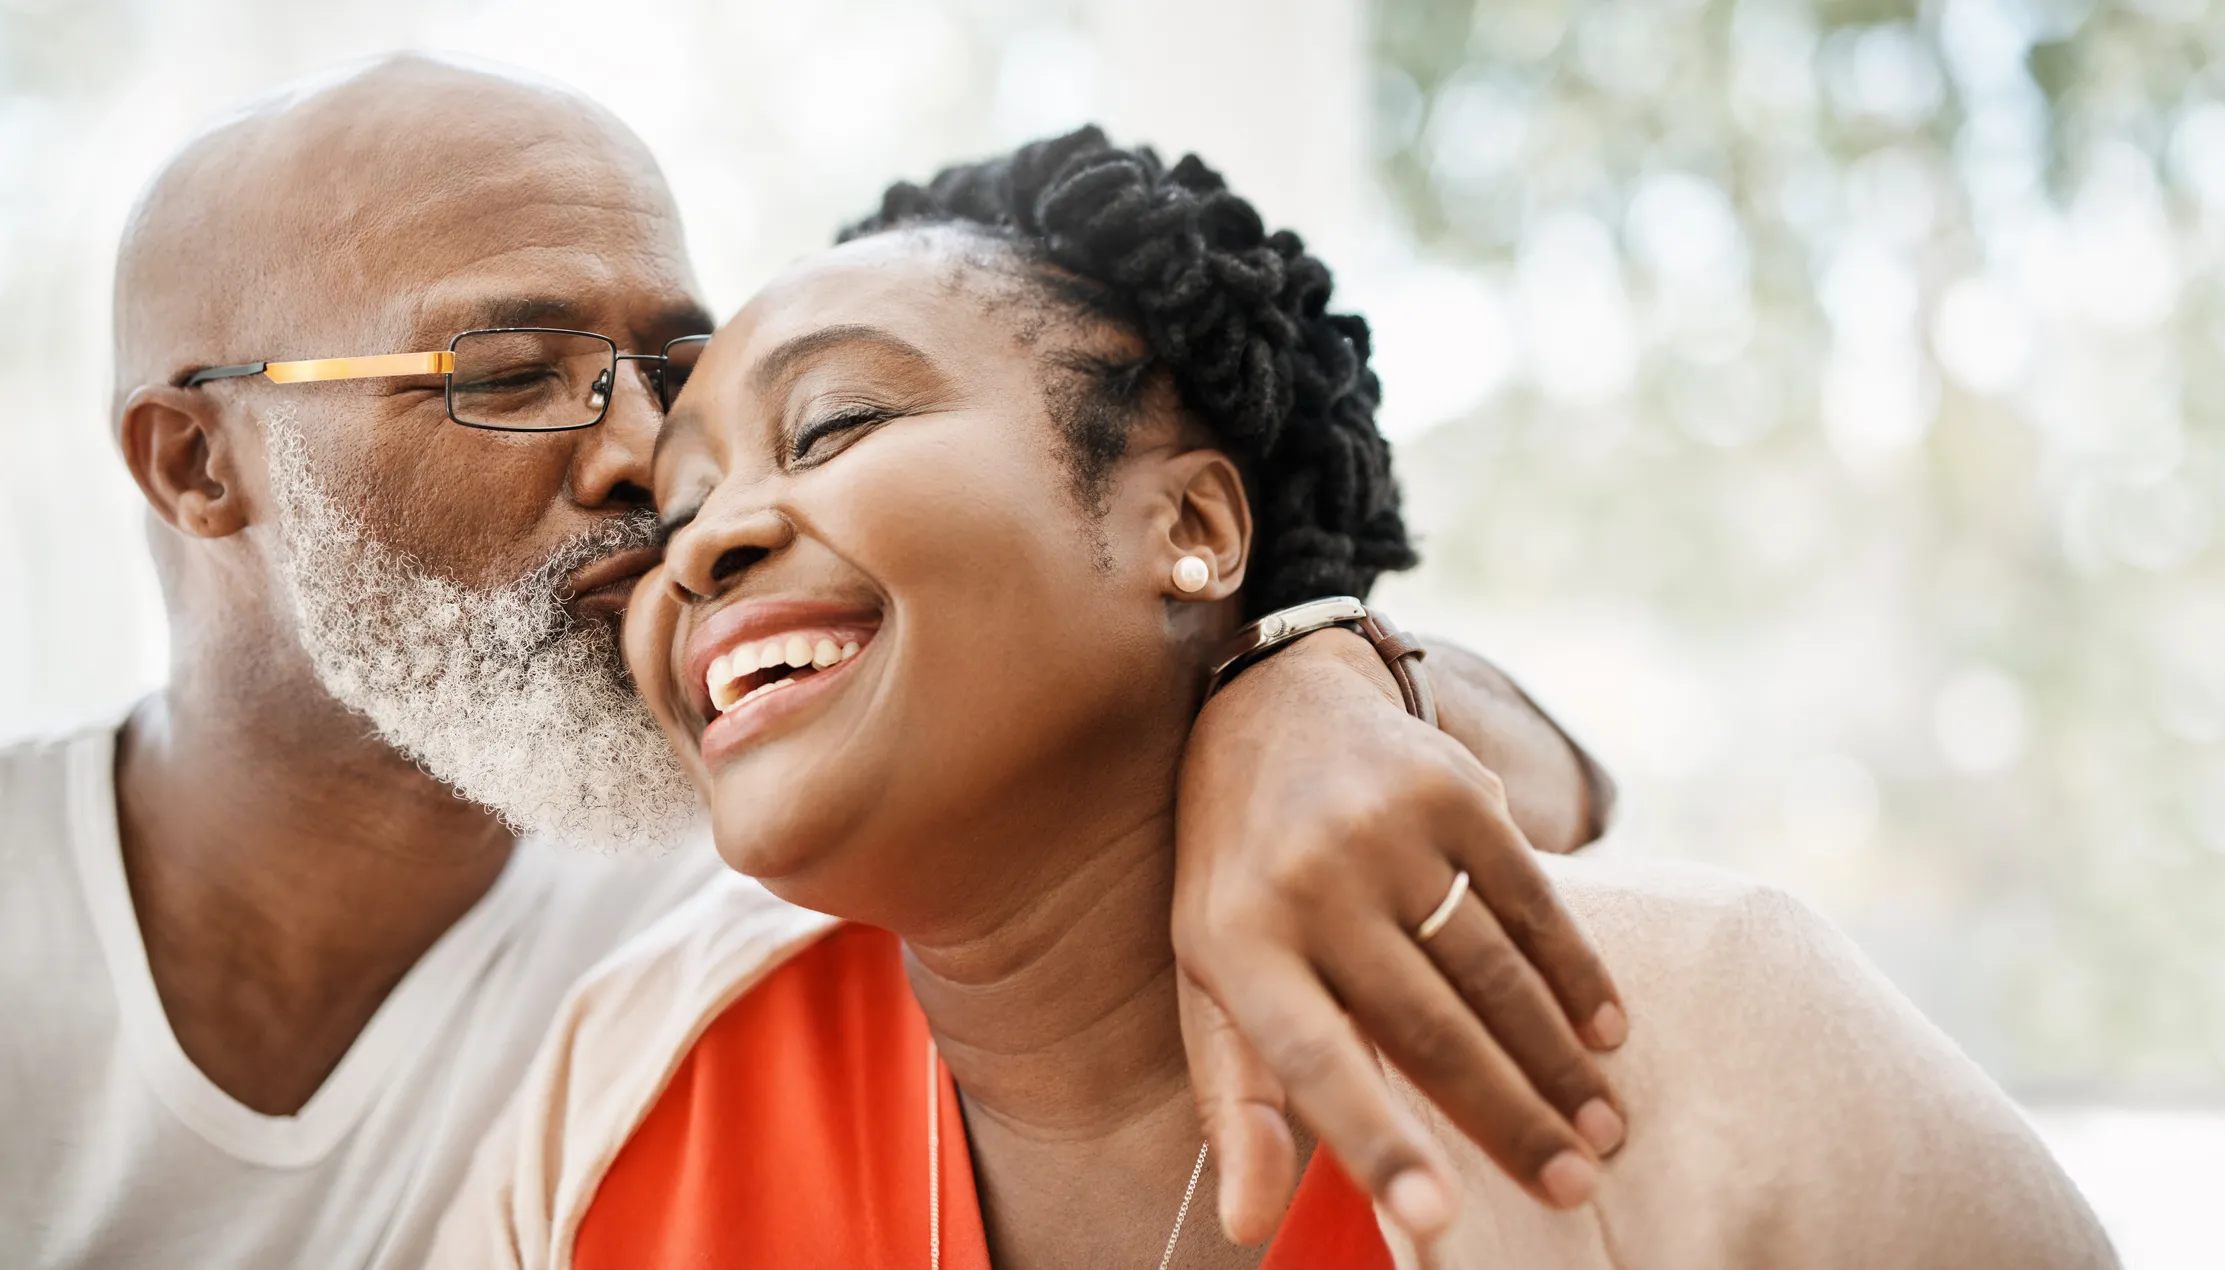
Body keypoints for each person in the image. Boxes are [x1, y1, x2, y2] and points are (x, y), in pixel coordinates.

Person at [1, 58, 1631, 1269]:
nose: (648, 462)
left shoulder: (756, 879)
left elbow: (1564, 787)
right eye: (511, 373)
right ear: (195, 463)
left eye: (674, 371)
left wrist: (1310, 680)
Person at [434, 129, 2117, 1269]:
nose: (706, 537)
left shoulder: (1699, 1024)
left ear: (1188, 526)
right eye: (676, 508)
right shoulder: (626, 1083)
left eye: (834, 427)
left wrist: (1333, 666)